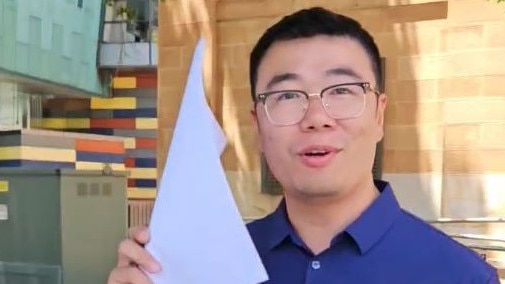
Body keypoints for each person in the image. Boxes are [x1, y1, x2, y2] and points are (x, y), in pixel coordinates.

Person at [107, 6, 500, 284]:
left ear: (379, 115)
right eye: (288, 95)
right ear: (257, 127)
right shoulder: (208, 268)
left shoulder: (459, 276)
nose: (316, 117)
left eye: (343, 90)